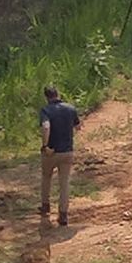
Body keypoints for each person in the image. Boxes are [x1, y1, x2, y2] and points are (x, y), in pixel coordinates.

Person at [38, 86, 80, 227]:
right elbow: (78, 127)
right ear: (58, 94)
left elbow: (45, 127)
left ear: (46, 97)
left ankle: (45, 206)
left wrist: (45, 146)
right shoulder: (70, 109)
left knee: (46, 178)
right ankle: (63, 214)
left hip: (51, 152)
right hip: (67, 152)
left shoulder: (45, 110)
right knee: (64, 183)